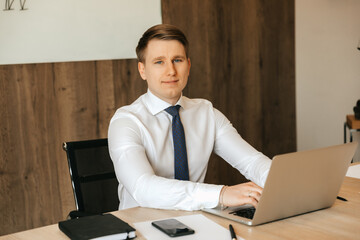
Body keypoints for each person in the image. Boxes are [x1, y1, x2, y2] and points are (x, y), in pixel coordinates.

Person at [108, 24, 271, 211]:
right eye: (159, 62)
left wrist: (284, 185)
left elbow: (252, 162)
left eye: (177, 60)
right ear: (142, 70)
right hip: (142, 227)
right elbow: (143, 188)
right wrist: (221, 194)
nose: (171, 71)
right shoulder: (126, 122)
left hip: (196, 223)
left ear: (189, 65)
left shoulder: (206, 113)